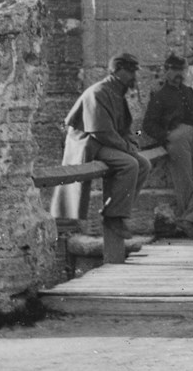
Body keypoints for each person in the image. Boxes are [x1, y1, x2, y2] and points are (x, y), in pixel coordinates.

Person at [50, 53, 153, 240]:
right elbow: (101, 131)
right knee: (129, 164)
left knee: (144, 164)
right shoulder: (99, 92)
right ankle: (113, 217)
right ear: (116, 70)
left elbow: (122, 128)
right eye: (129, 71)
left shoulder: (117, 92)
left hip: (103, 143)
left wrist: (131, 143)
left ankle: (120, 211)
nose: (133, 76)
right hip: (88, 144)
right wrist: (127, 148)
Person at [143, 54, 193, 241]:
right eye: (174, 70)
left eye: (181, 70)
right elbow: (149, 124)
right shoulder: (160, 96)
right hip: (176, 138)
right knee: (184, 183)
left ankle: (191, 221)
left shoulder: (188, 91)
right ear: (166, 71)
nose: (178, 75)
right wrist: (167, 137)